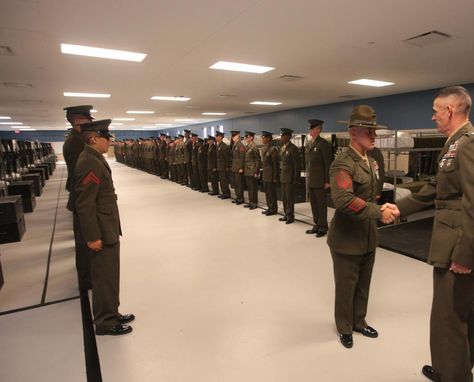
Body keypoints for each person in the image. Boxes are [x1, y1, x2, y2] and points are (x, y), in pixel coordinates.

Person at [392, 86, 474, 382]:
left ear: (450, 111)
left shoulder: (466, 144)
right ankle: (456, 370)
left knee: (448, 319)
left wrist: (465, 255)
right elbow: (436, 190)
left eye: (436, 111)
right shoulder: (454, 143)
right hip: (453, 243)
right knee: (462, 316)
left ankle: (451, 375)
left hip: (457, 250)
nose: (433, 116)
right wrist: (399, 208)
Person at [327, 105, 397, 349]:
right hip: (346, 238)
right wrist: (379, 212)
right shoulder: (343, 163)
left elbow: (374, 192)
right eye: (369, 132)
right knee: (346, 286)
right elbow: (344, 200)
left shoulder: (373, 159)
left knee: (364, 283)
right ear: (354, 132)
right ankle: (344, 327)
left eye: (374, 131)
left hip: (367, 234)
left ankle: (359, 320)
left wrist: (380, 212)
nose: (374, 136)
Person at [74, 119, 135, 336]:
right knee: (102, 276)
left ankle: (112, 312)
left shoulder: (95, 158)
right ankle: (104, 322)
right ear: (93, 138)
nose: (109, 141)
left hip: (107, 227)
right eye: (105, 138)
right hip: (100, 230)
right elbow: (85, 203)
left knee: (110, 274)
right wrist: (92, 236)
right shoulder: (89, 161)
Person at [63, 105, 93, 290]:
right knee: (83, 241)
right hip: (82, 197)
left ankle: (87, 276)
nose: (91, 123)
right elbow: (79, 174)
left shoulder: (76, 139)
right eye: (89, 120)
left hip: (82, 196)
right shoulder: (75, 142)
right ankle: (86, 279)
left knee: (84, 238)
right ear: (78, 121)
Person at [305, 119, 333, 237]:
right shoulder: (310, 143)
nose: (310, 130)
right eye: (310, 128)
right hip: (312, 179)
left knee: (321, 204)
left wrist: (328, 180)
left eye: (312, 128)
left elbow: (328, 164)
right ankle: (316, 224)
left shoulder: (323, 144)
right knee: (313, 204)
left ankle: (323, 226)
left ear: (318, 130)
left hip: (321, 180)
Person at [278, 128, 301, 224]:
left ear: (288, 137)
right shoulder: (283, 147)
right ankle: (286, 214)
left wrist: (296, 178)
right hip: (283, 176)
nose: (281, 138)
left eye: (283, 136)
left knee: (290, 198)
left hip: (290, 177)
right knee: (284, 197)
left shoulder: (293, 148)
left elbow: (297, 165)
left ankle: (290, 216)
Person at [261, 131, 279, 216]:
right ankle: (269, 207)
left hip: (271, 175)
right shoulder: (264, 148)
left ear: (268, 138)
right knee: (267, 192)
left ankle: (273, 209)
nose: (262, 139)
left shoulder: (273, 149)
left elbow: (275, 164)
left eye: (264, 137)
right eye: (262, 137)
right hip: (265, 174)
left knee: (272, 193)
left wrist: (275, 176)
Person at [243, 131, 261, 210]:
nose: (246, 138)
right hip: (247, 170)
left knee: (253, 188)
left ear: (251, 137)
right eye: (245, 137)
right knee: (249, 187)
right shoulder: (247, 146)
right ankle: (250, 202)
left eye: (247, 137)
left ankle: (254, 203)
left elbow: (257, 160)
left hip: (252, 170)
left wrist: (256, 171)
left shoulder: (254, 146)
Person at [230, 131, 245, 205]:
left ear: (238, 136)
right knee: (235, 184)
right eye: (232, 136)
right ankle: (237, 197)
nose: (233, 137)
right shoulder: (234, 145)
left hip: (238, 168)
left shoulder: (240, 145)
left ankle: (240, 198)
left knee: (239, 184)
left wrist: (241, 167)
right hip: (234, 167)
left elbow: (242, 158)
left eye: (234, 136)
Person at [215, 131, 231, 199]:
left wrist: (227, 167)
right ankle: (224, 193)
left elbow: (226, 157)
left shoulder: (223, 146)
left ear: (221, 137)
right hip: (220, 166)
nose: (216, 137)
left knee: (224, 181)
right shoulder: (219, 145)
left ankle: (227, 193)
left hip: (223, 167)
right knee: (221, 181)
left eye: (217, 136)